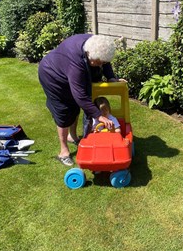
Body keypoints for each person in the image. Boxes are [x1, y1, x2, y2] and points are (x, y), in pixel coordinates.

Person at [38, 34, 124, 166]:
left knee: (75, 106)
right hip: (53, 76)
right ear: (89, 54)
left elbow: (104, 61)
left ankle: (72, 136)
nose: (101, 65)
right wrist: (99, 116)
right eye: (99, 62)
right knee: (64, 111)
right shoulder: (76, 62)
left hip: (68, 71)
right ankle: (64, 151)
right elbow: (81, 96)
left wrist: (111, 77)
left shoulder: (97, 44)